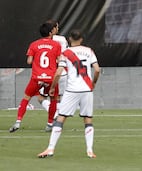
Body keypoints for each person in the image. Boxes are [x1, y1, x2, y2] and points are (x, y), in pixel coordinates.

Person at [37, 30, 100, 158]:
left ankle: (50, 148)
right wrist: (93, 83)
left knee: (61, 118)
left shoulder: (65, 53)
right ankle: (89, 150)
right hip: (87, 89)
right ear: (81, 39)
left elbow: (59, 72)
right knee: (88, 120)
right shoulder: (89, 51)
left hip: (72, 90)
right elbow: (97, 70)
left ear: (69, 39)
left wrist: (53, 87)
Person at [9, 22, 61, 133]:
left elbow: (29, 61)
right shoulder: (56, 45)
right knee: (53, 100)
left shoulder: (34, 44)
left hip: (37, 77)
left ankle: (18, 122)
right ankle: (49, 124)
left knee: (26, 98)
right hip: (51, 78)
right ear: (51, 32)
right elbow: (59, 60)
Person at [37, 20, 68, 129]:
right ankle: (57, 119)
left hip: (49, 73)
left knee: (41, 97)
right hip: (62, 72)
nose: (58, 29)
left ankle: (54, 115)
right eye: (57, 27)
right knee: (57, 98)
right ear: (53, 29)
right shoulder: (62, 39)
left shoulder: (42, 42)